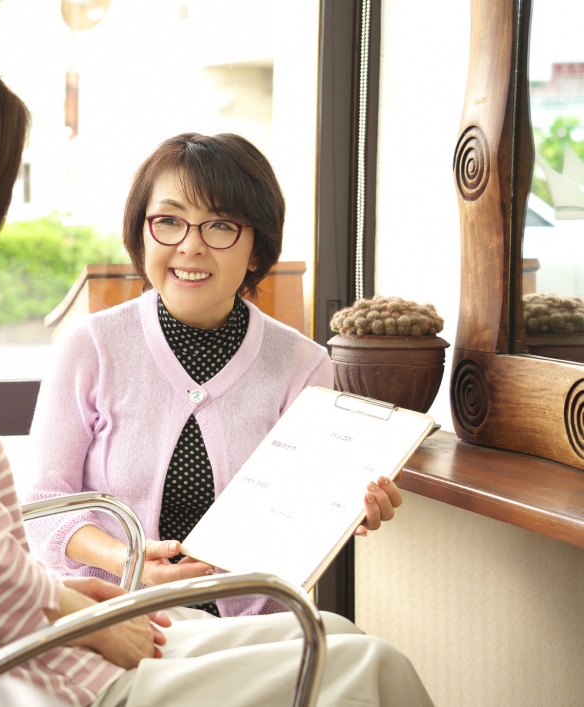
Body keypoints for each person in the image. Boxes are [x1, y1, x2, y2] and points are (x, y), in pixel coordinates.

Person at [0, 48, 433, 707]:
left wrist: (69, 600)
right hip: (43, 668)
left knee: (337, 635)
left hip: (32, 641)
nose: (191, 245)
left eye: (219, 226)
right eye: (1, 185)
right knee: (367, 665)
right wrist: (81, 617)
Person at [23, 132, 405, 618]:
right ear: (142, 233)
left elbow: (297, 516)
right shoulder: (91, 347)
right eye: (169, 221)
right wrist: (133, 561)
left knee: (364, 661)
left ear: (256, 251)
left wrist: (344, 511)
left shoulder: (302, 366)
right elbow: (43, 504)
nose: (191, 246)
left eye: (220, 226)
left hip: (250, 630)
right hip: (113, 621)